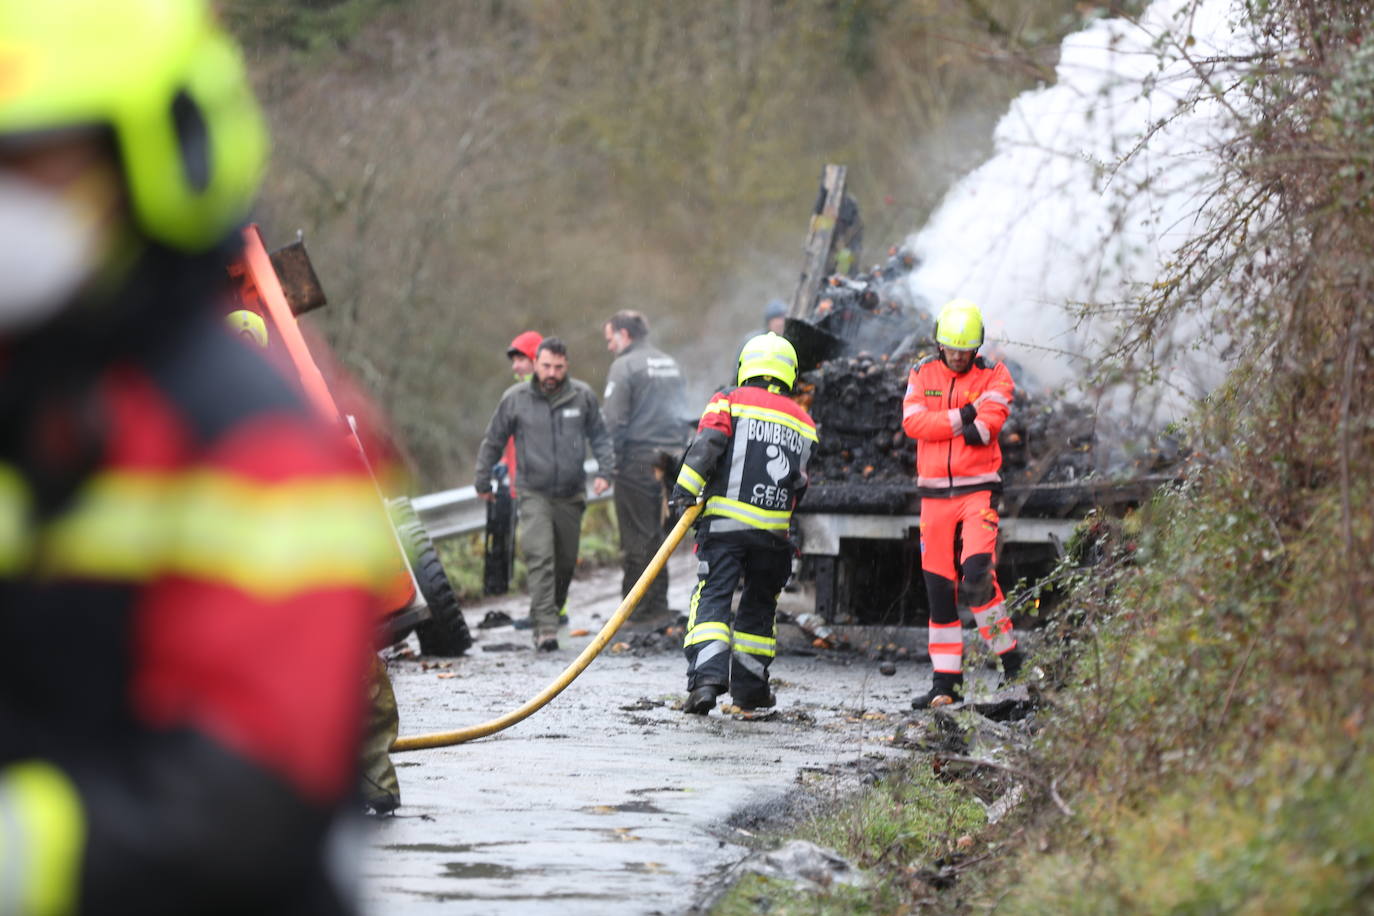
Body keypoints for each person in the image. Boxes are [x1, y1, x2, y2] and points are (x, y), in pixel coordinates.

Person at [0, 1, 394, 911]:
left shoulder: (246, 438)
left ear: (159, 158)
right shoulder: (33, 395)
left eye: (39, 161)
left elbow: (246, 804)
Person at [670, 333, 817, 715]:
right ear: (790, 374)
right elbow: (800, 482)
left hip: (725, 528)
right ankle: (750, 690)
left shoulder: (728, 400)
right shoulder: (803, 421)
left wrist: (684, 491)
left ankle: (706, 681)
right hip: (774, 536)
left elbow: (708, 445)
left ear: (744, 367)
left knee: (714, 597)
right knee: (758, 608)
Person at [901, 299, 1024, 708]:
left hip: (977, 494)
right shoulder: (921, 372)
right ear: (939, 345)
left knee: (977, 578)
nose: (957, 357)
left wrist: (950, 423)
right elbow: (912, 423)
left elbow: (985, 431)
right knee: (939, 592)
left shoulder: (995, 374)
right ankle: (946, 685)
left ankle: (1012, 665)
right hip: (933, 497)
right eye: (950, 349)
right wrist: (963, 415)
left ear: (977, 348)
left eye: (964, 351)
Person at [475, 338, 614, 650]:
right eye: (547, 366)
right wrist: (482, 480)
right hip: (532, 492)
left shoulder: (582, 396)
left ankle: (549, 613)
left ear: (567, 367)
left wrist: (606, 471)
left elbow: (601, 437)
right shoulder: (515, 399)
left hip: (570, 493)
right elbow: (493, 440)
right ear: (536, 364)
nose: (552, 373)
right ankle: (546, 629)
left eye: (559, 367)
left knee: (564, 563)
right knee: (540, 558)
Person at [603, 310, 691, 623]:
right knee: (660, 534)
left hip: (637, 462)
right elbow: (684, 410)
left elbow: (614, 421)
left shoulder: (624, 366)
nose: (610, 346)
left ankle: (637, 610)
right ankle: (658, 603)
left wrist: (608, 464)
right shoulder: (669, 363)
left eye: (610, 338)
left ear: (624, 335)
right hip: (670, 461)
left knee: (637, 537)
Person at [490, 331, 541, 603]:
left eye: (521, 359)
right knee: (535, 551)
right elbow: (511, 438)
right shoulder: (515, 395)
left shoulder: (543, 392)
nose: (515, 366)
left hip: (539, 486)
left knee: (543, 552)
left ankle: (551, 612)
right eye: (514, 360)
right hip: (521, 484)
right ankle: (544, 610)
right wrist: (502, 463)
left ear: (535, 359)